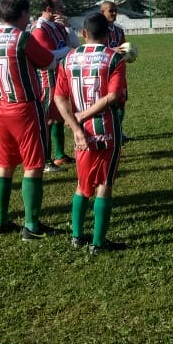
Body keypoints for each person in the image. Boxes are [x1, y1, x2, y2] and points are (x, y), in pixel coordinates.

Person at [53, 13, 129, 254]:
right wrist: (83, 117)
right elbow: (114, 96)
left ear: (83, 34)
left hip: (80, 133)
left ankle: (77, 236)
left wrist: (75, 126)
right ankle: (98, 243)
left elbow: (59, 97)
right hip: (106, 128)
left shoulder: (68, 59)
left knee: (82, 184)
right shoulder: (114, 58)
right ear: (108, 34)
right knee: (104, 184)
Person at [0, 0, 57, 239]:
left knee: (4, 164)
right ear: (23, 14)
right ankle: (32, 225)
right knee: (34, 165)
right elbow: (47, 62)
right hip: (25, 107)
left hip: (0, 106)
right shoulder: (22, 38)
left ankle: (1, 221)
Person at [31, 0, 76, 170]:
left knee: (58, 117)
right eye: (59, 6)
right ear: (49, 9)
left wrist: (68, 27)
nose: (63, 8)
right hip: (47, 77)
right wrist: (68, 50)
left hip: (61, 74)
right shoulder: (39, 28)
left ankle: (59, 155)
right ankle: (45, 160)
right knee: (47, 119)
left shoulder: (57, 25)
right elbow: (46, 55)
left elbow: (74, 43)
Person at [99, 0, 129, 138]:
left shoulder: (118, 30)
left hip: (119, 70)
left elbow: (123, 47)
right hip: (105, 73)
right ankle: (110, 131)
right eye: (111, 10)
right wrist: (113, 50)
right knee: (109, 103)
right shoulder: (98, 30)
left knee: (121, 103)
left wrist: (129, 53)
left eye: (115, 10)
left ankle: (118, 130)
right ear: (102, 12)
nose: (114, 13)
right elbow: (96, 50)